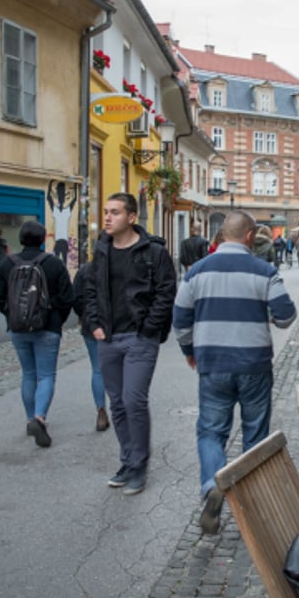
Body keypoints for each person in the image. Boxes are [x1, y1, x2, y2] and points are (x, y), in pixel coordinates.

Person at [173, 211, 297, 534]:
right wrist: (262, 317)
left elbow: (180, 319)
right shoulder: (265, 270)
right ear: (249, 236)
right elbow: (286, 316)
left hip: (213, 363)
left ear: (221, 235)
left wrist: (190, 352)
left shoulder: (195, 272)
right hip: (254, 364)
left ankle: (212, 486)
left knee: (212, 431)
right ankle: (250, 506)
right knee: (255, 433)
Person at [84, 193, 176, 495]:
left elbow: (166, 292)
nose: (108, 218)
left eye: (115, 213)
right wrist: (95, 324)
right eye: (106, 212)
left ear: (131, 217)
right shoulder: (102, 250)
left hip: (140, 338)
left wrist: (149, 329)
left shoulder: (153, 252)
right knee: (118, 404)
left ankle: (139, 466)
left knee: (134, 400)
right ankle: (127, 461)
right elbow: (91, 288)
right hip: (108, 338)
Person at [0, 220, 74, 448]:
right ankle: (40, 417)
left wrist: (13, 316)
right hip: (48, 328)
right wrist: (56, 318)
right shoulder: (54, 264)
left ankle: (30, 419)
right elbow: (68, 297)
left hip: (18, 329)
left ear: (20, 239)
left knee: (28, 374)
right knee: (46, 375)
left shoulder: (7, 264)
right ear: (42, 239)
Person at [72, 260, 109, 432]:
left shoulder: (85, 270)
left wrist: (86, 317)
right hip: (117, 326)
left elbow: (76, 299)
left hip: (91, 326)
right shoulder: (123, 265)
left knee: (98, 369)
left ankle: (101, 410)